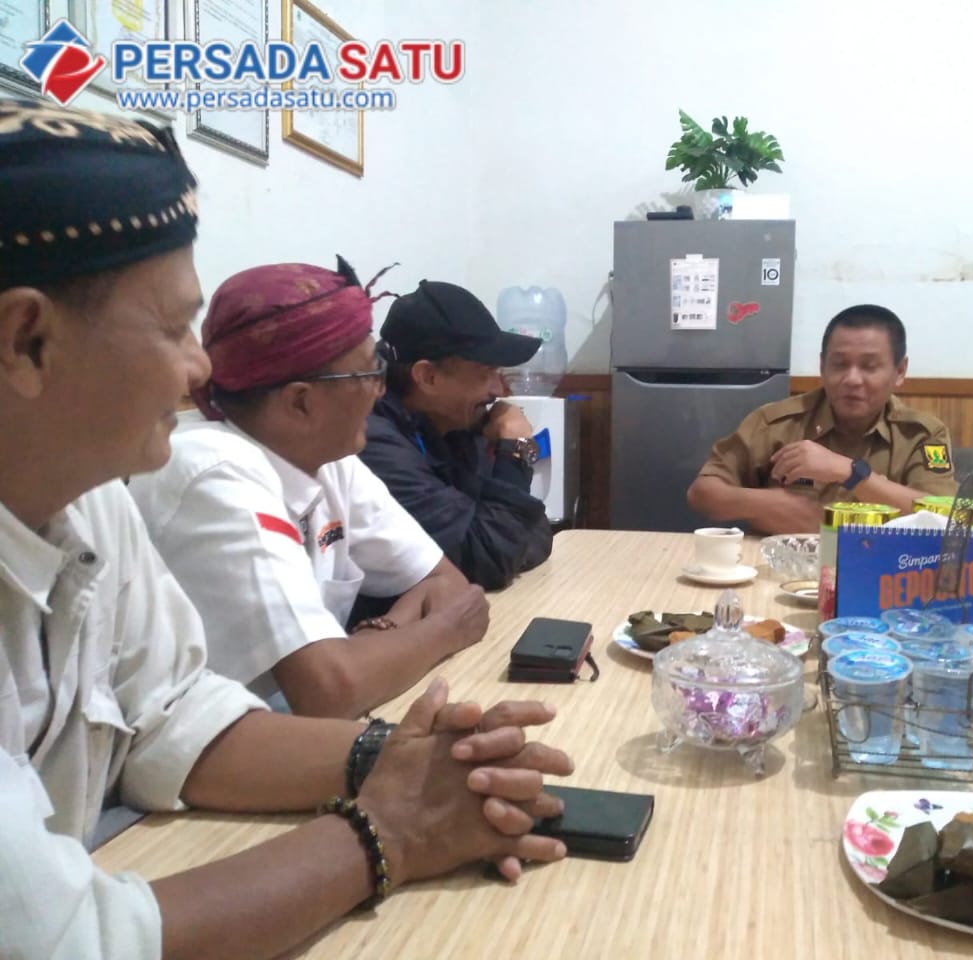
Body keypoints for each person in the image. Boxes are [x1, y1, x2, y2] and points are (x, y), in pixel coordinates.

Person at [0, 98, 571, 959]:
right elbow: (68, 942)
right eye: (173, 327)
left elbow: (173, 720)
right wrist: (389, 830)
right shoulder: (204, 466)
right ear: (27, 341)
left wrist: (398, 759)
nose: (201, 369)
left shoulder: (89, 498)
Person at [128, 259, 490, 719]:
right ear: (301, 402)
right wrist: (446, 630)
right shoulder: (215, 472)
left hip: (281, 732)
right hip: (197, 750)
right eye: (368, 374)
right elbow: (330, 692)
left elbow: (445, 583)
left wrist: (375, 640)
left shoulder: (330, 458)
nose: (380, 391)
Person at [687, 304, 958, 533]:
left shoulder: (921, 434)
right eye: (839, 364)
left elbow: (946, 518)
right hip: (781, 569)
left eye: (869, 366)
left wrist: (850, 472)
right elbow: (702, 493)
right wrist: (768, 504)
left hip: (883, 569)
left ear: (900, 371)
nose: (852, 379)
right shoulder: (776, 423)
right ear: (822, 365)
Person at [359, 279, 553, 590]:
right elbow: (489, 556)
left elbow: (530, 531)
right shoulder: (374, 443)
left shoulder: (453, 424)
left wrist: (502, 547)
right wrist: (514, 448)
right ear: (428, 377)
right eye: (486, 373)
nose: (499, 390)